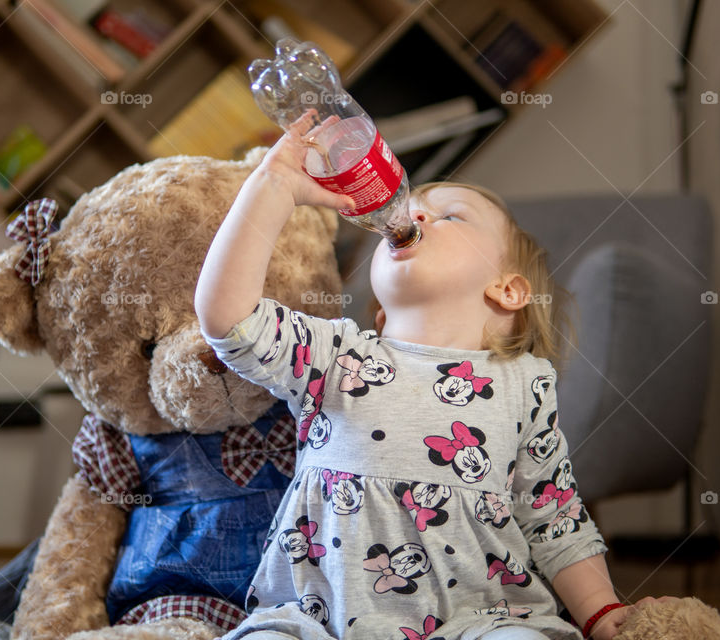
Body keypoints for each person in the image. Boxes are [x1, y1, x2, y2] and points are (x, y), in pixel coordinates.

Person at [194, 112, 661, 640]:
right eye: (413, 209)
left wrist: (601, 612)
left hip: (477, 620)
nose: (414, 214)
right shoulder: (336, 351)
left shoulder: (525, 383)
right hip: (316, 621)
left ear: (507, 290)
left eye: (451, 216)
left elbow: (554, 518)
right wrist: (272, 188)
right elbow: (227, 319)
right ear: (379, 312)